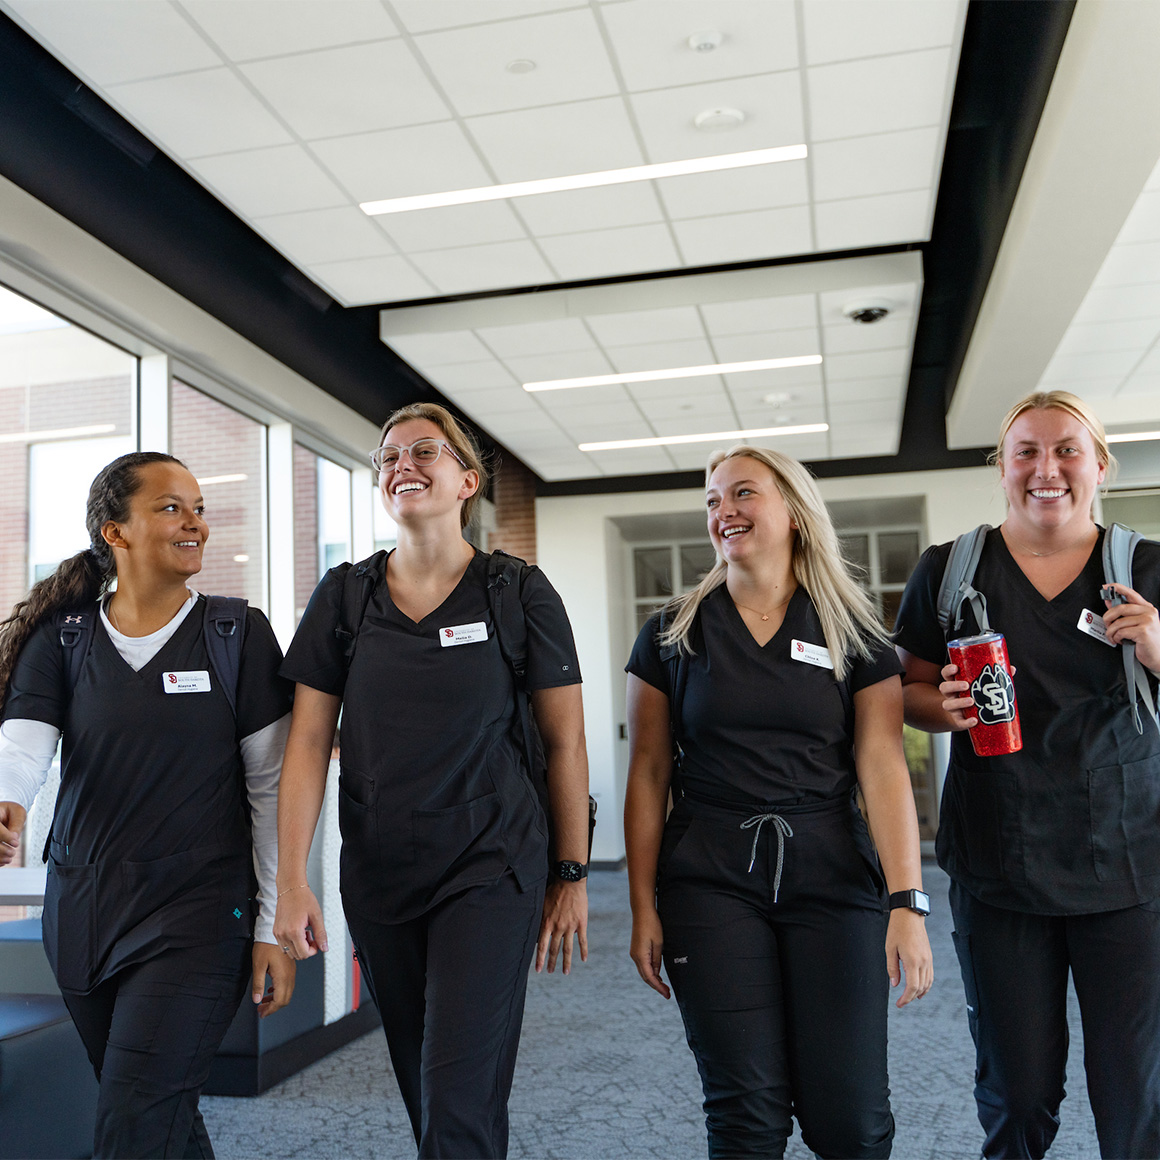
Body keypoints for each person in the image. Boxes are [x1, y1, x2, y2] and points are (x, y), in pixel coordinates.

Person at [274, 402, 589, 1160]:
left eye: (425, 451)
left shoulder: (516, 592)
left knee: (455, 1095)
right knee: (434, 1091)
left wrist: (571, 872)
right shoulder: (345, 598)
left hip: (491, 863)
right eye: (388, 457)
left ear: (466, 481)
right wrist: (289, 877)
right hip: (382, 870)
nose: (402, 465)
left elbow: (565, 740)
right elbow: (309, 742)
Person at [625, 443, 933, 1159]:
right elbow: (647, 773)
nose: (722, 512)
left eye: (741, 494)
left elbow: (883, 765)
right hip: (709, 880)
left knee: (850, 1123)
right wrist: (642, 904)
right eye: (711, 501)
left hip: (831, 873)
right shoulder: (672, 634)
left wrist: (906, 902)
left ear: (792, 510)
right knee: (746, 1119)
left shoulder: (853, 632)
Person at [0, 451, 294, 1159]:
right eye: (171, 508)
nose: (195, 522)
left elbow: (270, 789)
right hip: (85, 911)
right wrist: (7, 801)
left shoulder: (236, 634)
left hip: (199, 913)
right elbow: (24, 749)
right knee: (154, 1112)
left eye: (197, 508)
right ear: (116, 532)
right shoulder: (63, 637)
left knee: (134, 1118)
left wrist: (271, 925)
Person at [894, 389, 1160, 1160]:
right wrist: (939, 709)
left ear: (1100, 465)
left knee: (1134, 1092)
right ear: (1002, 469)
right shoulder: (949, 571)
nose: (1048, 468)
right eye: (1027, 452)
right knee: (1016, 1094)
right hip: (999, 866)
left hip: (1129, 869)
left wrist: (1155, 646)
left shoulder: (1145, 567)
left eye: (1067, 449)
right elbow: (905, 691)